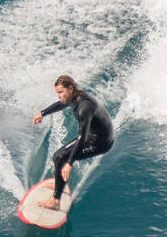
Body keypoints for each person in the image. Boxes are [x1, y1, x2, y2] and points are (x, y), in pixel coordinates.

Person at [31, 75, 114, 210]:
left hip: (101, 142)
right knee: (58, 156)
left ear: (70, 88)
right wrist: (42, 113)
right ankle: (60, 184)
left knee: (60, 157)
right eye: (57, 93)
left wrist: (69, 163)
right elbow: (60, 104)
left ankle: (55, 201)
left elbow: (82, 138)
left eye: (60, 92)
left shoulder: (84, 107)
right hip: (93, 135)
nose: (59, 96)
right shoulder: (73, 97)